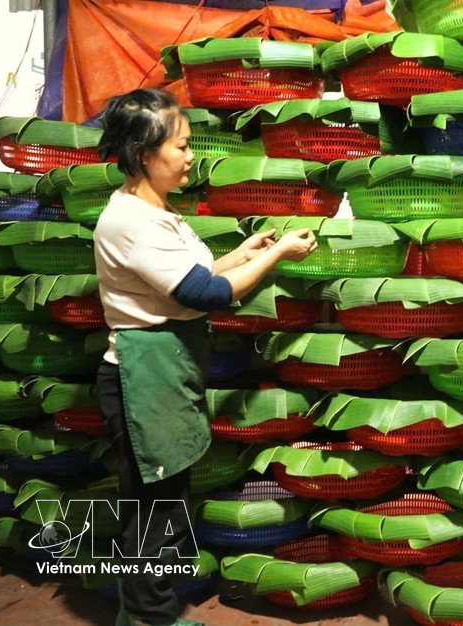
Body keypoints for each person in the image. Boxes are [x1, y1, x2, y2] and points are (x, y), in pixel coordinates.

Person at [93, 88, 316, 626]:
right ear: (146, 153)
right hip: (143, 376)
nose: (191, 156)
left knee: (165, 502)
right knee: (152, 510)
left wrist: (244, 253)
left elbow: (190, 276)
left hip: (166, 370)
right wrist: (280, 256)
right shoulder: (133, 222)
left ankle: (143, 613)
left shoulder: (156, 212)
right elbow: (205, 296)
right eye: (182, 145)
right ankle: (149, 618)